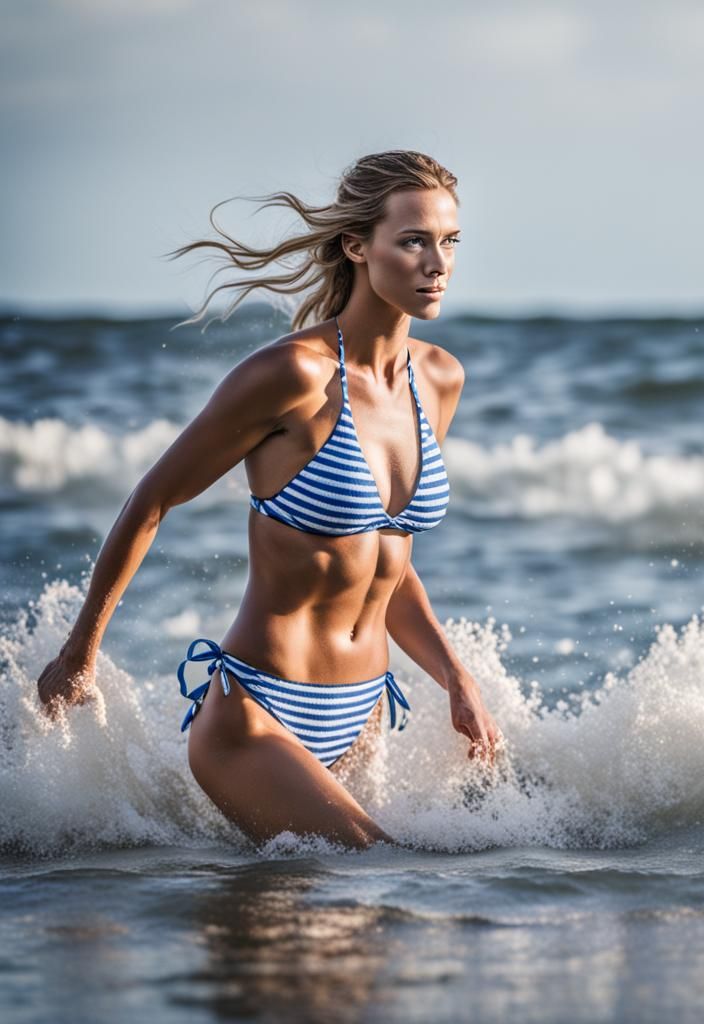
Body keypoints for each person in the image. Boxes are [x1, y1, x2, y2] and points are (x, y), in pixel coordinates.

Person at [36, 150, 502, 849]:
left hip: (362, 713)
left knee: (335, 947)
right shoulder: (291, 374)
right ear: (356, 246)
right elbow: (154, 499)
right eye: (413, 240)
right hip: (256, 714)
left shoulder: (437, 379)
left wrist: (455, 677)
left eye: (449, 242)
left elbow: (385, 562)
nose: (438, 262)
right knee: (378, 868)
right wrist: (81, 651)